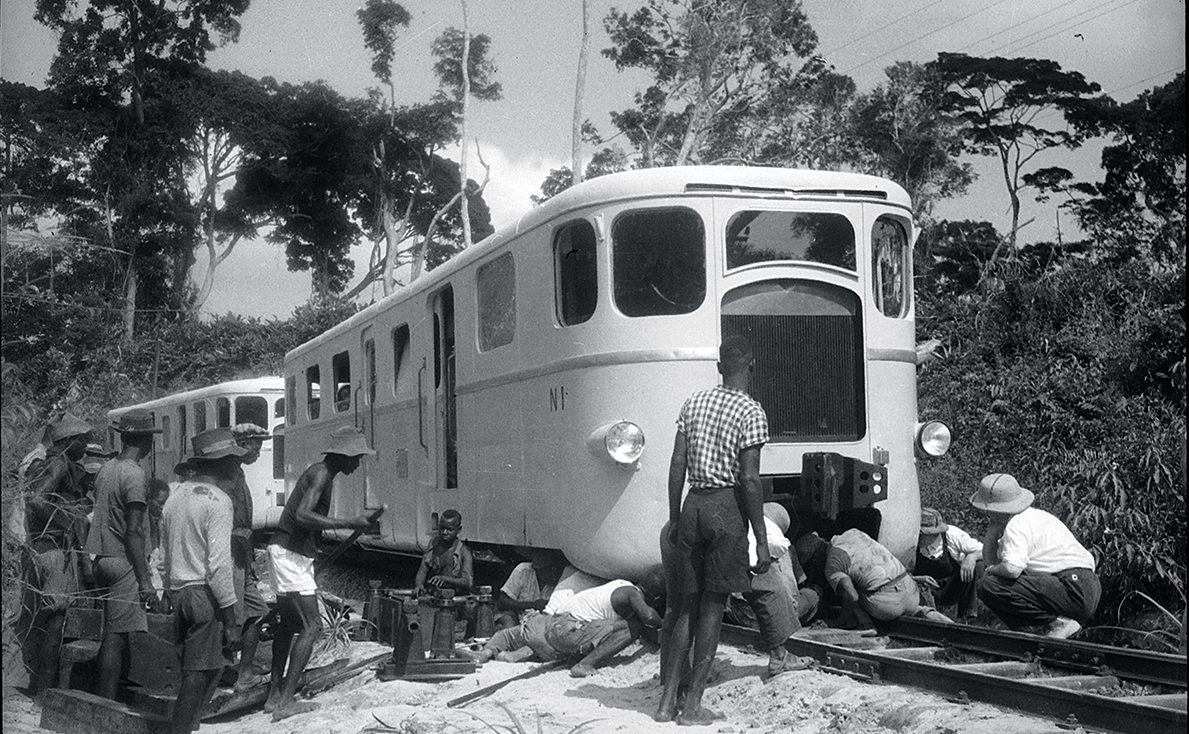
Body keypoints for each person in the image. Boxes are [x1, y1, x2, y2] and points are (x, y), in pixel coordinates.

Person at [656, 336, 771, 725]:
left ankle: (665, 701)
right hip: (726, 509)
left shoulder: (694, 403)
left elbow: (676, 465)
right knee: (712, 608)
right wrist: (761, 538)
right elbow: (751, 481)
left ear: (720, 367)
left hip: (693, 506)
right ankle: (692, 709)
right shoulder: (751, 412)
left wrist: (675, 517)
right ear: (751, 366)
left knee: (686, 605)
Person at [265, 427, 379, 721]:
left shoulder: (323, 473)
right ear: (346, 455)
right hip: (290, 554)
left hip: (291, 554)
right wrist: (347, 521)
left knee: (289, 624)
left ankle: (274, 695)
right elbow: (302, 515)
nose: (358, 464)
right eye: (357, 457)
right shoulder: (321, 474)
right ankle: (285, 701)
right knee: (312, 626)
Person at [160, 428, 245, 734]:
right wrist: (231, 617)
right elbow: (219, 566)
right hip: (204, 595)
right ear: (220, 464)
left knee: (208, 667)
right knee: (198, 673)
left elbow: (164, 552)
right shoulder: (218, 501)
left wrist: (167, 589)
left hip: (179, 591)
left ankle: (189, 724)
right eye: (234, 461)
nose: (238, 468)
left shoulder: (175, 496)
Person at [86, 409, 162, 700]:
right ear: (146, 440)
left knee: (112, 632)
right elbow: (134, 532)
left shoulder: (107, 469)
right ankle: (105, 703)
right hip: (123, 562)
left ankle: (107, 694)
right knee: (115, 638)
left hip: (101, 558)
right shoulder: (134, 474)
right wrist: (145, 580)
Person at [971, 473, 1100, 639]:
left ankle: (1058, 624)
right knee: (995, 580)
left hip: (1071, 587)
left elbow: (1011, 570)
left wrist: (991, 570)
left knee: (988, 585)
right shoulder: (1036, 516)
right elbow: (991, 560)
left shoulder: (1016, 525)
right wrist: (993, 528)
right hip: (1086, 586)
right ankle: (1048, 630)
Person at [21, 412, 92, 695]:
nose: (85, 447)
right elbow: (37, 500)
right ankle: (44, 693)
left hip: (41, 549)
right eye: (82, 441)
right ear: (69, 441)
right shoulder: (59, 463)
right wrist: (68, 525)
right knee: (56, 620)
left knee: (45, 619)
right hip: (53, 550)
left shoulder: (51, 462)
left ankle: (39, 686)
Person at [742, 503, 815, 677]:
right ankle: (779, 657)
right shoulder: (772, 533)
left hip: (734, 606)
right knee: (771, 588)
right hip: (755, 616)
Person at [227, 423, 273, 692]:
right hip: (233, 555)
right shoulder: (231, 476)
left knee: (256, 612)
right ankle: (236, 672)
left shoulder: (237, 474)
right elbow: (236, 525)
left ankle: (242, 671)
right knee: (234, 617)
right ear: (243, 444)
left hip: (241, 556)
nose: (259, 452)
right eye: (256, 446)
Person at [544, 577, 663, 676]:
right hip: (567, 631)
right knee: (631, 628)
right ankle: (584, 664)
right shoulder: (632, 594)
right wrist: (665, 625)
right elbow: (648, 616)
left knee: (602, 624)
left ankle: (575, 658)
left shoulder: (621, 584)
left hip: (554, 628)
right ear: (655, 598)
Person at [913, 507, 984, 620]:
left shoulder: (953, 535)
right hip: (923, 590)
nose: (919, 537)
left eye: (923, 534)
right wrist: (918, 578)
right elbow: (900, 572)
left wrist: (971, 557)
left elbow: (985, 551)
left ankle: (967, 616)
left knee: (978, 565)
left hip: (951, 587)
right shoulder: (908, 541)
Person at [495, 549, 565, 630]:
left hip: (541, 624)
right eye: (550, 570)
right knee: (508, 620)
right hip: (517, 617)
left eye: (556, 570)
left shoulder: (561, 580)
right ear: (539, 570)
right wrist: (532, 605)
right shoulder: (523, 570)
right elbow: (502, 601)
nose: (554, 575)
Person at [413, 509, 473, 596]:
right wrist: (419, 585)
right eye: (442, 528)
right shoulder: (434, 544)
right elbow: (422, 571)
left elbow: (468, 583)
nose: (444, 532)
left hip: (455, 597)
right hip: (434, 595)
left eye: (449, 529)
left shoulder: (464, 552)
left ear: (459, 529)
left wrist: (445, 579)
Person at [145, 479, 171, 602]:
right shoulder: (139, 520)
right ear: (149, 499)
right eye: (159, 503)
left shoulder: (162, 521)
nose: (162, 508)